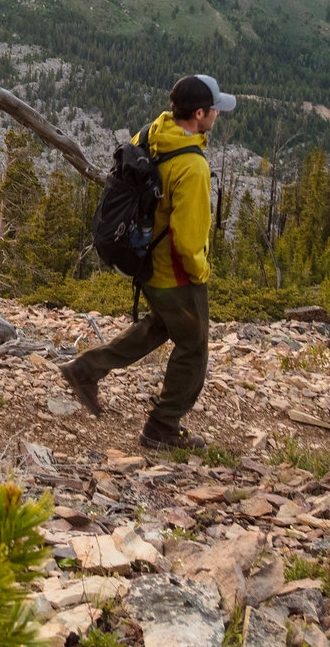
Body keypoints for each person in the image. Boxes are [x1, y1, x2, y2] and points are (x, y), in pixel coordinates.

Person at [58, 73, 234, 452]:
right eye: (215, 109)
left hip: (145, 262)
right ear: (200, 114)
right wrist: (201, 273)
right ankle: (163, 426)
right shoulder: (193, 167)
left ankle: (86, 369)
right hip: (175, 273)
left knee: (160, 327)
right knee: (194, 346)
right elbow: (188, 241)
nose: (218, 114)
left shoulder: (153, 133)